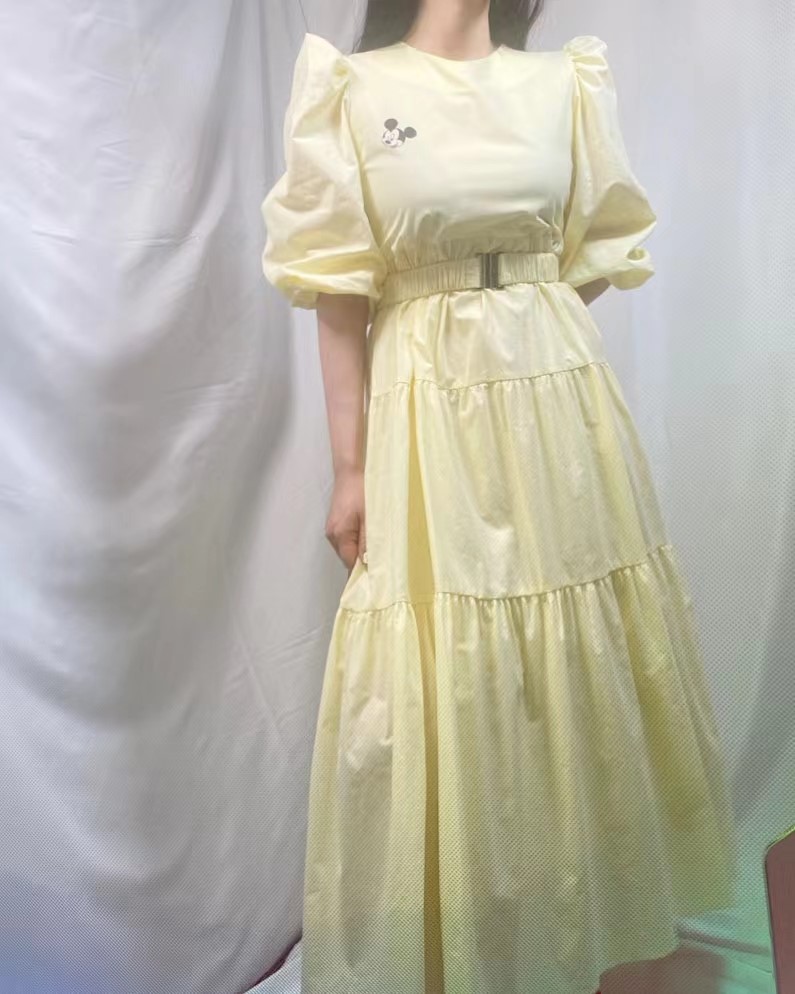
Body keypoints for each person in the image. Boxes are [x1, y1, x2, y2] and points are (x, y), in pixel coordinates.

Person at [260, 2, 738, 992]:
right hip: (424, 408)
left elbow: (591, 254)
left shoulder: (565, 81)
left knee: (575, 654)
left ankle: (581, 923)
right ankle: (462, 941)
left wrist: (517, 306)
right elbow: (338, 292)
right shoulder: (351, 87)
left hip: (558, 408)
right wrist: (350, 471)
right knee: (441, 660)